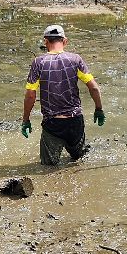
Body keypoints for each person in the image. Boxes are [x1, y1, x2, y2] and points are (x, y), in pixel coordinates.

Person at [21, 25, 105, 165]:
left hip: (53, 123)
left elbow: (30, 95)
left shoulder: (38, 63)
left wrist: (26, 120)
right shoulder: (75, 60)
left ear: (45, 41)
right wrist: (99, 109)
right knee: (78, 159)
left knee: (48, 167)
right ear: (65, 41)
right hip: (75, 121)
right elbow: (94, 88)